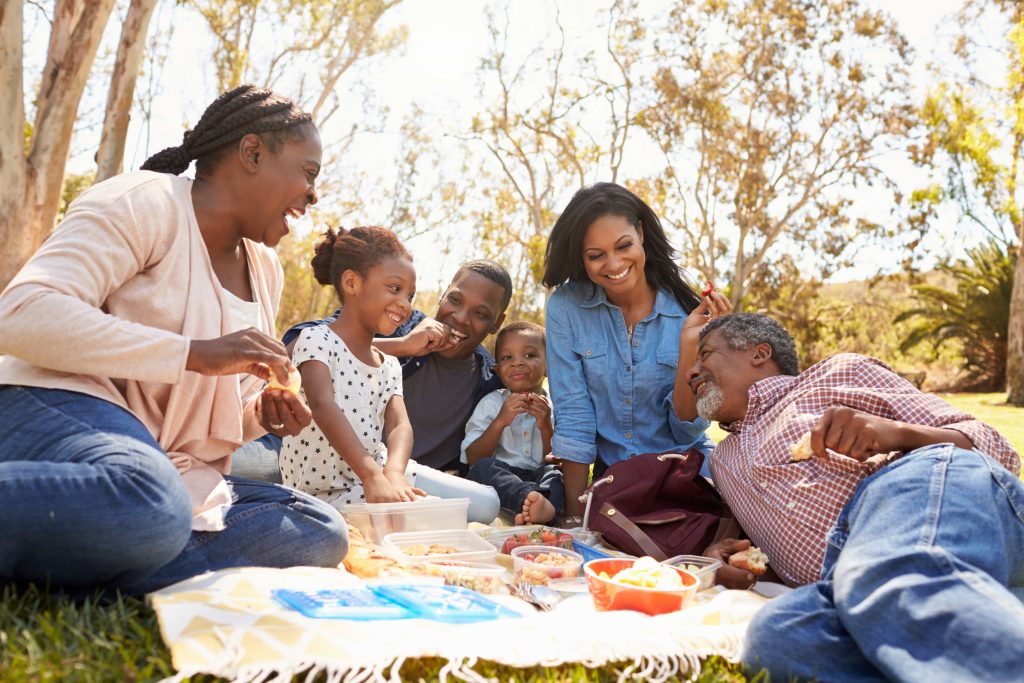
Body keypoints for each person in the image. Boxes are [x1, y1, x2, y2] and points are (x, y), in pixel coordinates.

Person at [0, 85, 347, 595]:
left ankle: (87, 555)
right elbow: (22, 313)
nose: (314, 193)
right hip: (55, 406)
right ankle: (120, 542)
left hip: (155, 462)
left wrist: (260, 413)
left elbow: (205, 406)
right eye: (309, 172)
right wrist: (197, 354)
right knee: (151, 501)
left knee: (318, 530)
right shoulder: (145, 201)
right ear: (252, 153)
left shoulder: (264, 268)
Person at [686, 313, 1023, 682]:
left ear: (759, 353)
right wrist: (730, 559)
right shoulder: (722, 461)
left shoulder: (839, 372)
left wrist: (894, 434)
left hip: (914, 489)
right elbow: (789, 549)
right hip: (847, 578)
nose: (692, 372)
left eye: (705, 354)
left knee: (894, 574)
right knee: (778, 638)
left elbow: (996, 449)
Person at [541, 182, 732, 525]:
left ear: (641, 234)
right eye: (595, 255)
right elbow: (574, 416)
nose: (613, 264)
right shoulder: (565, 307)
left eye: (623, 246)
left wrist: (691, 347)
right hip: (615, 485)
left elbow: (687, 431)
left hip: (687, 478)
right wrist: (573, 517)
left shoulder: (690, 313)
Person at [279, 227, 500, 522]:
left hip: (377, 473)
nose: (406, 304)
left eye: (410, 295)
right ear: (351, 283)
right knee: (433, 519)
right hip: (325, 490)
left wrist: (393, 474)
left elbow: (399, 425)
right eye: (395, 289)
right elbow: (322, 405)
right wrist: (373, 477)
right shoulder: (317, 340)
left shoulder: (389, 364)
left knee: (473, 510)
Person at [283, 259, 513, 475]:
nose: (461, 318)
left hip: (410, 481)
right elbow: (298, 344)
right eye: (455, 300)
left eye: (480, 313)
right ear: (443, 295)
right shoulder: (398, 322)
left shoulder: (492, 381)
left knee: (486, 504)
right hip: (330, 463)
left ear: (497, 323)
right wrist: (403, 345)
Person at [462, 321, 564, 525]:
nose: (517, 363)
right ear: (498, 370)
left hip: (538, 476)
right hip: (503, 478)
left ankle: (537, 507)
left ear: (548, 365)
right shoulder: (491, 403)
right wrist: (500, 421)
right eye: (507, 358)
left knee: (557, 474)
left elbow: (556, 459)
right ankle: (531, 501)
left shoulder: (557, 406)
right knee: (482, 468)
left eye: (529, 355)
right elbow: (473, 457)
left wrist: (545, 426)